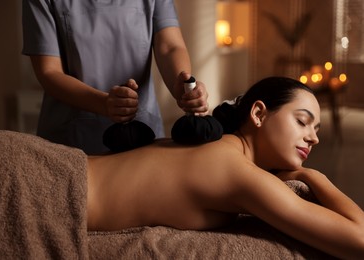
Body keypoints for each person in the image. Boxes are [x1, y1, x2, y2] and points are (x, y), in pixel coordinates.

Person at [85, 77, 364, 259]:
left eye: (316, 129)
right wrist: (313, 176)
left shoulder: (216, 146)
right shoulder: (236, 170)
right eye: (302, 121)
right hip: (62, 190)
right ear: (258, 114)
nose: (314, 137)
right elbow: (359, 239)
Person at [22, 0, 209, 155]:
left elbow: (169, 47)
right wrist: (103, 104)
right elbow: (49, 72)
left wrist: (182, 86)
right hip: (71, 142)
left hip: (141, 135)